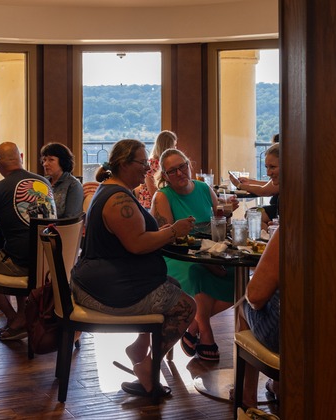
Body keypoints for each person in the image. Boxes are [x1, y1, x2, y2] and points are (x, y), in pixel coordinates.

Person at [72, 139, 196, 397]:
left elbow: (133, 236)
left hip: (102, 281)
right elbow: (137, 244)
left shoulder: (112, 189)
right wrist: (173, 231)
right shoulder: (119, 199)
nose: (147, 170)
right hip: (107, 291)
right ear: (124, 164)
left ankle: (139, 348)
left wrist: (159, 233)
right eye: (142, 164)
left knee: (172, 284)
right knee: (186, 307)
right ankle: (148, 368)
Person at [237, 220, 336, 407]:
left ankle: (248, 397)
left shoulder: (291, 228)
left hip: (299, 340)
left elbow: (255, 297)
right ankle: (279, 386)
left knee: (242, 304)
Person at [151, 148, 239, 362]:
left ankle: (193, 326)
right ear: (165, 176)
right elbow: (167, 238)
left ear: (189, 165)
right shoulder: (163, 197)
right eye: (173, 171)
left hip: (209, 252)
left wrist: (226, 213)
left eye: (183, 167)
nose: (180, 173)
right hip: (178, 257)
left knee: (239, 277)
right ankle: (206, 334)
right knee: (197, 273)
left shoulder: (204, 188)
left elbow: (220, 225)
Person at [0, 141, 57, 341]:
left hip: (20, 264)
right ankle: (23, 316)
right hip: (49, 262)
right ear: (22, 158)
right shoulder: (44, 183)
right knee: (13, 250)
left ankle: (14, 317)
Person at [229, 143, 280, 223]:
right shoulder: (280, 180)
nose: (268, 173)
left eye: (272, 167)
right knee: (251, 213)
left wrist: (239, 185)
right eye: (266, 167)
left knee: (252, 216)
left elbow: (264, 191)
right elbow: (269, 185)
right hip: (276, 210)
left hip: (277, 212)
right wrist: (250, 182)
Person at [135, 130, 177, 209]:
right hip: (151, 204)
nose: (175, 149)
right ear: (167, 147)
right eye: (174, 146)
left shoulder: (163, 163)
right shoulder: (153, 164)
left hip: (161, 200)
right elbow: (153, 191)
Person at [40, 142, 83, 218]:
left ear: (63, 161)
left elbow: (71, 218)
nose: (45, 164)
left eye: (51, 160)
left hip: (62, 228)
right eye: (44, 160)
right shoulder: (43, 182)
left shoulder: (73, 185)